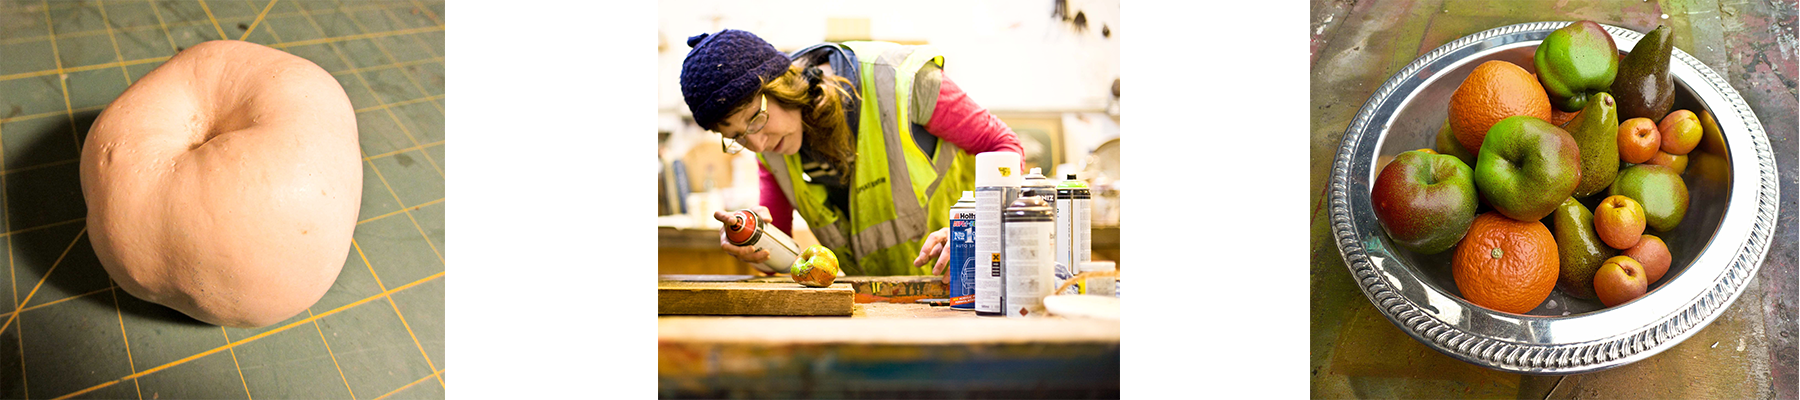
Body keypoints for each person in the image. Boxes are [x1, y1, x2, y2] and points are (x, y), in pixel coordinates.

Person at [681, 29, 1022, 280]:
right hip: (877, 307)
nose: (758, 145)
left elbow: (1005, 148)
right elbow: (782, 258)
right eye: (737, 137)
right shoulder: (771, 148)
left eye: (755, 120)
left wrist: (974, 223)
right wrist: (752, 242)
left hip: (965, 288)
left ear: (781, 84)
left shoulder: (900, 81)